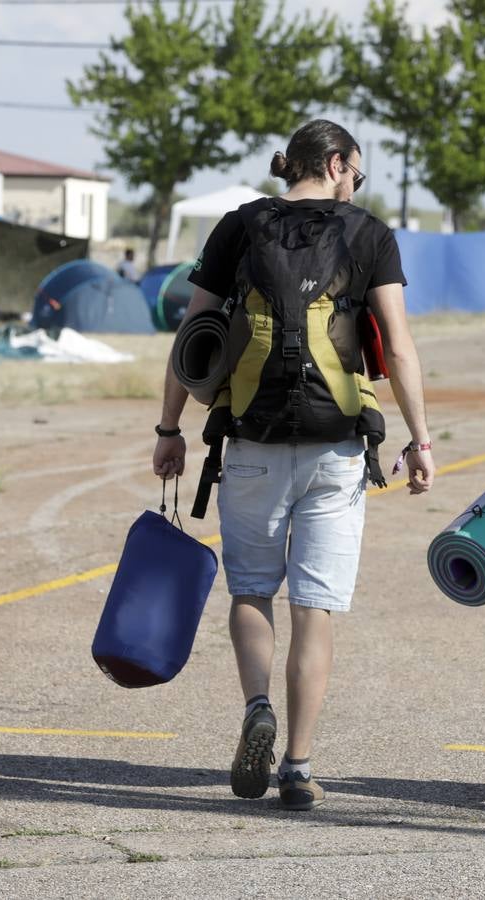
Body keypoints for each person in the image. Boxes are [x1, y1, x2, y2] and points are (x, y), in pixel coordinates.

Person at [152, 119, 435, 811]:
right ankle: (299, 767)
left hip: (249, 441)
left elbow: (192, 337)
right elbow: (396, 347)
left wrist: (169, 429)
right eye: (357, 175)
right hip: (335, 449)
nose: (356, 186)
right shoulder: (368, 234)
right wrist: (420, 439)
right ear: (336, 165)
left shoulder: (238, 227)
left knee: (252, 591)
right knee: (314, 609)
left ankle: (258, 707)